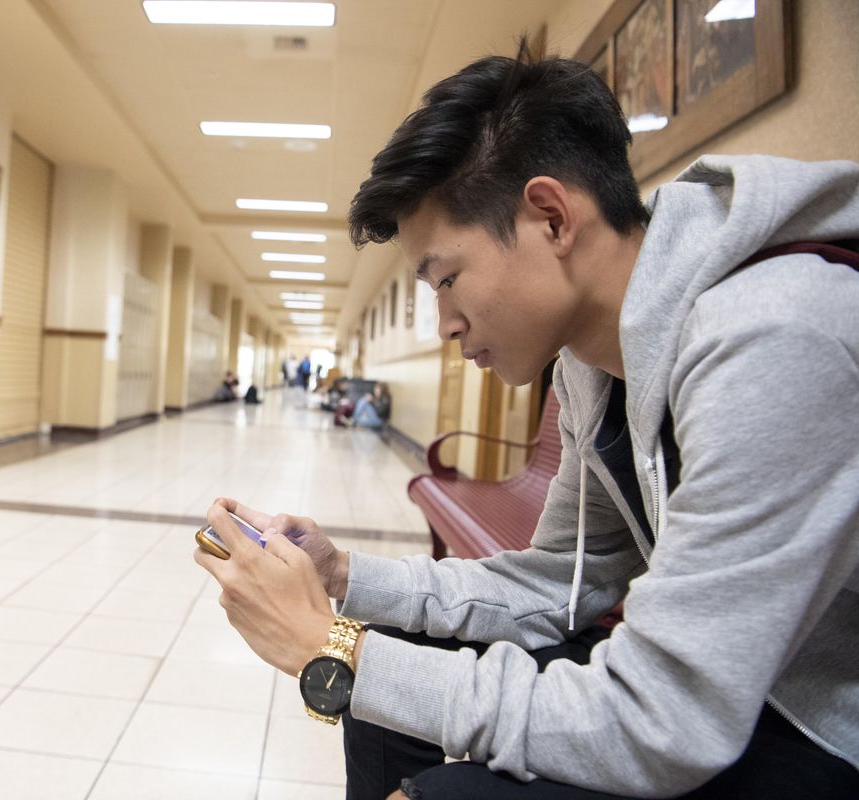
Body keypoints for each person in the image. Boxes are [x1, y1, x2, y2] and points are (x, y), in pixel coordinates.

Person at [193, 43, 859, 800]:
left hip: (817, 725)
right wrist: (343, 578)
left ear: (550, 216)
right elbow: (560, 583)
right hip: (724, 690)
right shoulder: (590, 363)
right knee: (392, 682)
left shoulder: (775, 337)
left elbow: (662, 722)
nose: (444, 324)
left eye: (447, 278)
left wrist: (329, 646)